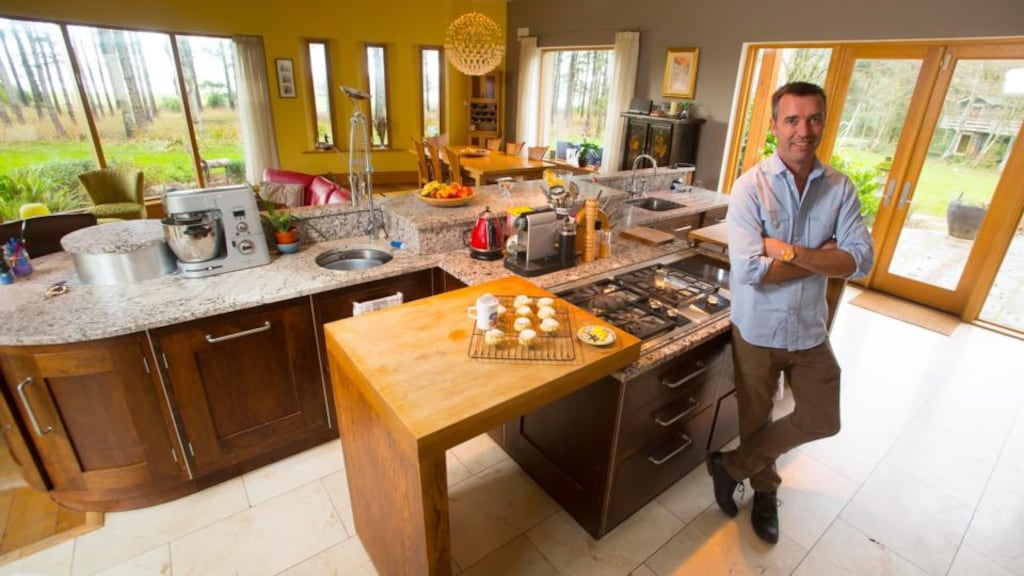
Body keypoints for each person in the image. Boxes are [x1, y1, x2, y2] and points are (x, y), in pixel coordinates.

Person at [708, 81, 874, 544]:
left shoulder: (840, 188)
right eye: (793, 120)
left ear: (823, 122)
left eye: (814, 119)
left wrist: (785, 251)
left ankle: (733, 465)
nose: (804, 130)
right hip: (758, 330)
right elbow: (748, 271)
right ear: (775, 125)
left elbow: (859, 261)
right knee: (757, 419)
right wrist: (822, 256)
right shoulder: (749, 189)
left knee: (823, 417)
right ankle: (765, 492)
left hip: (809, 329)